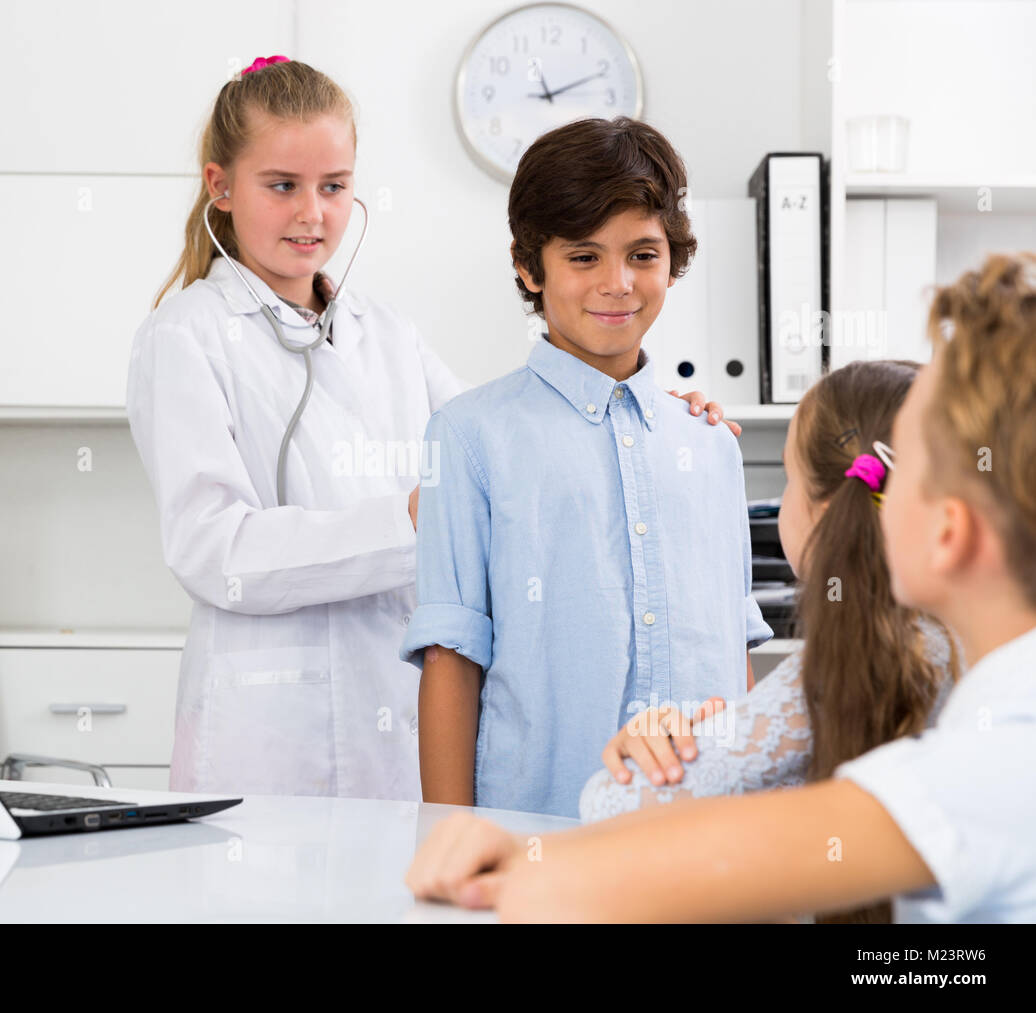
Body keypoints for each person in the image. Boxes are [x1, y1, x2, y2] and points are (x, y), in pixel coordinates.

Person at [127, 56, 751, 800]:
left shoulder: (383, 332)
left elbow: (528, 428)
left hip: (391, 716)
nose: (312, 213)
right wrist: (413, 519)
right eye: (282, 185)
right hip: (271, 721)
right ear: (220, 186)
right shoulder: (185, 336)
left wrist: (665, 416)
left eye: (334, 186)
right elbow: (210, 549)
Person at [405, 252, 1036, 923]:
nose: (870, 490)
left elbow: (651, 858)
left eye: (899, 470)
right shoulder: (985, 702)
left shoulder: (997, 756)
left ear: (949, 530)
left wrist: (524, 856)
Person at [399, 117, 772, 819]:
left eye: (642, 253)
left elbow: (734, 655)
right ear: (528, 265)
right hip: (541, 834)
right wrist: (448, 844)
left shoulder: (711, 445)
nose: (618, 283)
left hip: (702, 836)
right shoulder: (468, 436)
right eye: (583, 257)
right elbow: (450, 660)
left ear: (673, 258)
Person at [579, 359, 959, 923]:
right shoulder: (955, 635)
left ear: (826, 509)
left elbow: (609, 805)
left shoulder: (851, 665)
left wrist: (682, 750)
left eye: (788, 478)